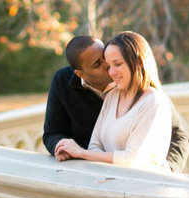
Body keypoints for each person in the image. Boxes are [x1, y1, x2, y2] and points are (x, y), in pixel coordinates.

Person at [54, 31, 176, 170]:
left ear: (137, 62)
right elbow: (94, 145)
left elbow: (131, 159)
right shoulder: (113, 95)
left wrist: (82, 153)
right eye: (109, 65)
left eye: (117, 64)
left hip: (142, 187)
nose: (110, 72)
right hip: (110, 183)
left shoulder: (154, 101)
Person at [42, 35, 109, 157]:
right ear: (80, 74)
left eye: (105, 56)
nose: (107, 64)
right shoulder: (62, 81)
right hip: (85, 165)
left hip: (126, 163)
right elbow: (53, 133)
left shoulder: (125, 73)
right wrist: (61, 146)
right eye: (97, 64)